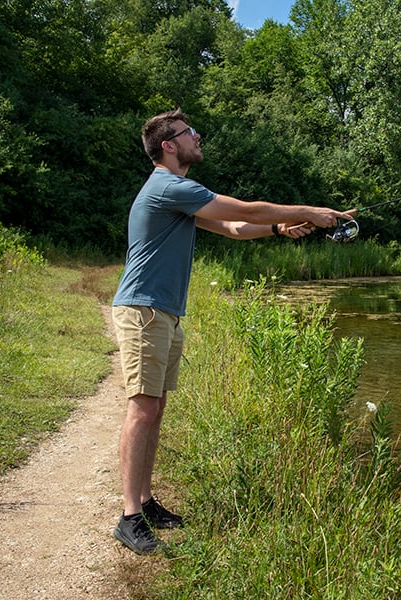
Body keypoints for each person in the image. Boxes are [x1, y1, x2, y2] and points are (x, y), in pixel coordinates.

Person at [111, 108, 351, 555]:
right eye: (189, 133)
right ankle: (128, 517)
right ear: (169, 145)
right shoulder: (169, 185)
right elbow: (244, 208)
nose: (197, 137)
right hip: (143, 310)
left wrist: (279, 227)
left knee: (156, 406)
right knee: (142, 408)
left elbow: (236, 226)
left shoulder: (177, 196)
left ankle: (145, 503)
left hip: (162, 311)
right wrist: (310, 210)